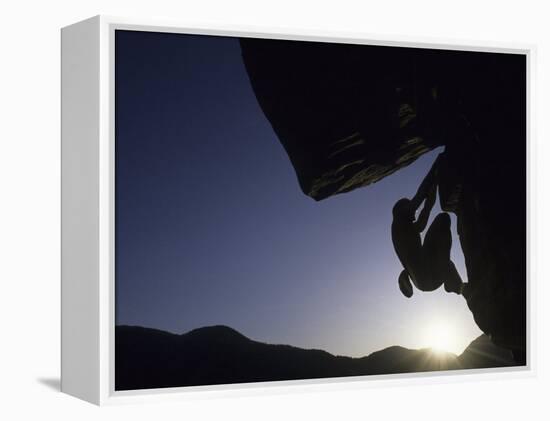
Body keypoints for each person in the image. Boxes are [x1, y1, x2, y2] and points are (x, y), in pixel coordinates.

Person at [391, 155, 464, 298]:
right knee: (443, 219)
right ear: (402, 209)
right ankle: (449, 275)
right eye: (409, 206)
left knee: (444, 261)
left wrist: (436, 182)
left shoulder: (407, 231)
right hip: (429, 273)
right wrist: (435, 167)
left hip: (424, 281)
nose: (414, 212)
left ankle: (455, 283)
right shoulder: (400, 222)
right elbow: (421, 195)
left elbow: (427, 207)